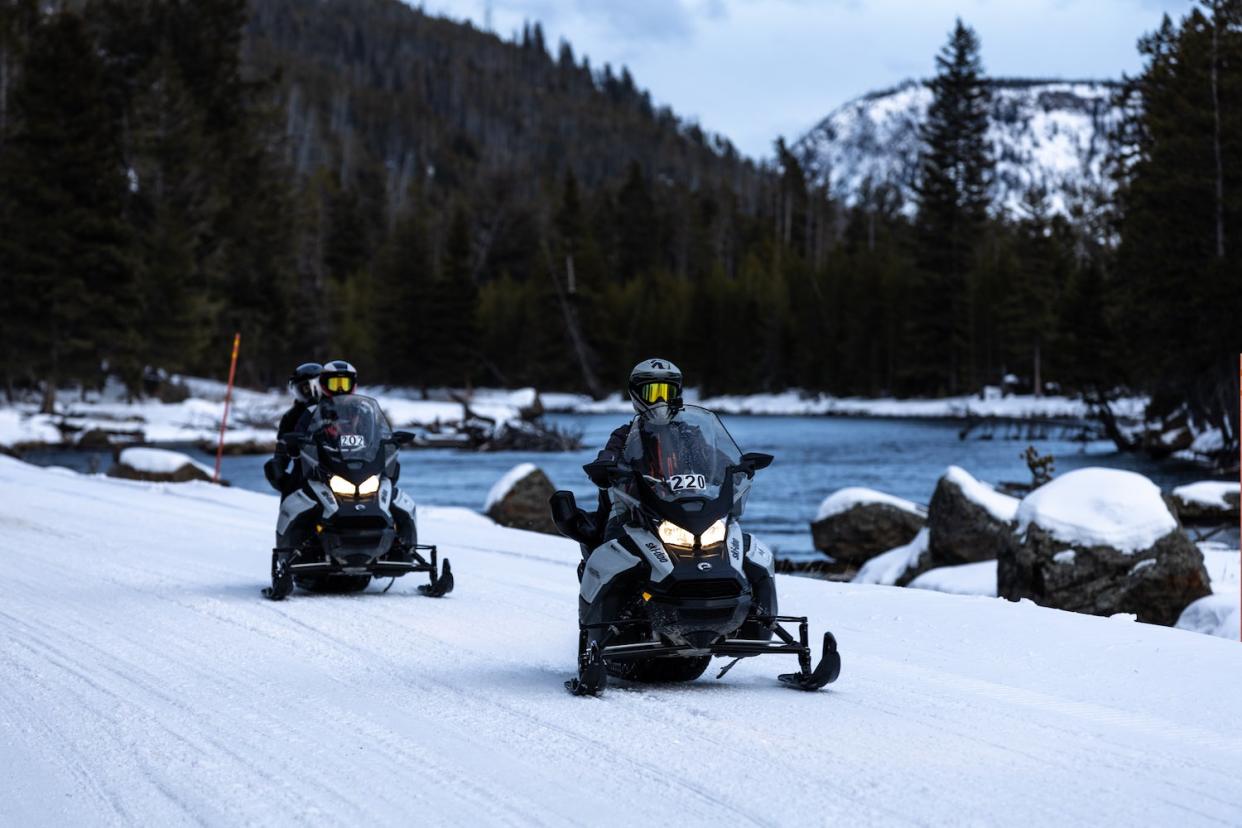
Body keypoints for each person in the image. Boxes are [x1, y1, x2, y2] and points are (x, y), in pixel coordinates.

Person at [586, 358, 685, 550]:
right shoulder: (624, 435)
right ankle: (608, 576)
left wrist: (737, 467)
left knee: (740, 546)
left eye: (667, 392)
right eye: (652, 393)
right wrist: (607, 466)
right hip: (635, 510)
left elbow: (714, 457)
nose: (660, 400)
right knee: (614, 541)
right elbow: (609, 456)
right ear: (636, 394)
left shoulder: (689, 433)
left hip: (685, 508)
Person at [264, 362, 322, 495]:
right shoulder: (291, 417)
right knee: (293, 497)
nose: (312, 392)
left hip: (340, 469)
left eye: (316, 386)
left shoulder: (341, 409)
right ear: (297, 391)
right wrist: (277, 468)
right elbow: (282, 450)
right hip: (306, 472)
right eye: (305, 389)